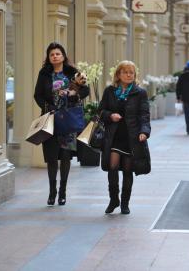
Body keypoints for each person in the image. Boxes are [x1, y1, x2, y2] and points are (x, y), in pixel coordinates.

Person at [34, 42, 89, 206]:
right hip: (50, 120)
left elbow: (85, 90)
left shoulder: (73, 73)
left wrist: (73, 94)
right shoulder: (44, 74)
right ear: (48, 58)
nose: (55, 56)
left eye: (57, 54)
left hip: (68, 120)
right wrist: (47, 106)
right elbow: (37, 95)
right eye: (51, 54)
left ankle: (63, 192)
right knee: (51, 157)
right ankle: (52, 192)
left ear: (63, 56)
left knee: (65, 156)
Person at [99, 60, 151, 214]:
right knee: (112, 167)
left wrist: (144, 131)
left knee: (128, 170)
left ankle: (125, 203)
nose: (128, 75)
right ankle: (113, 199)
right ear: (118, 74)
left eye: (131, 72)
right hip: (114, 136)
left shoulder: (140, 92)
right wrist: (110, 115)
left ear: (135, 75)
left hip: (132, 137)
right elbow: (101, 111)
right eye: (125, 72)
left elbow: (144, 114)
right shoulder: (109, 91)